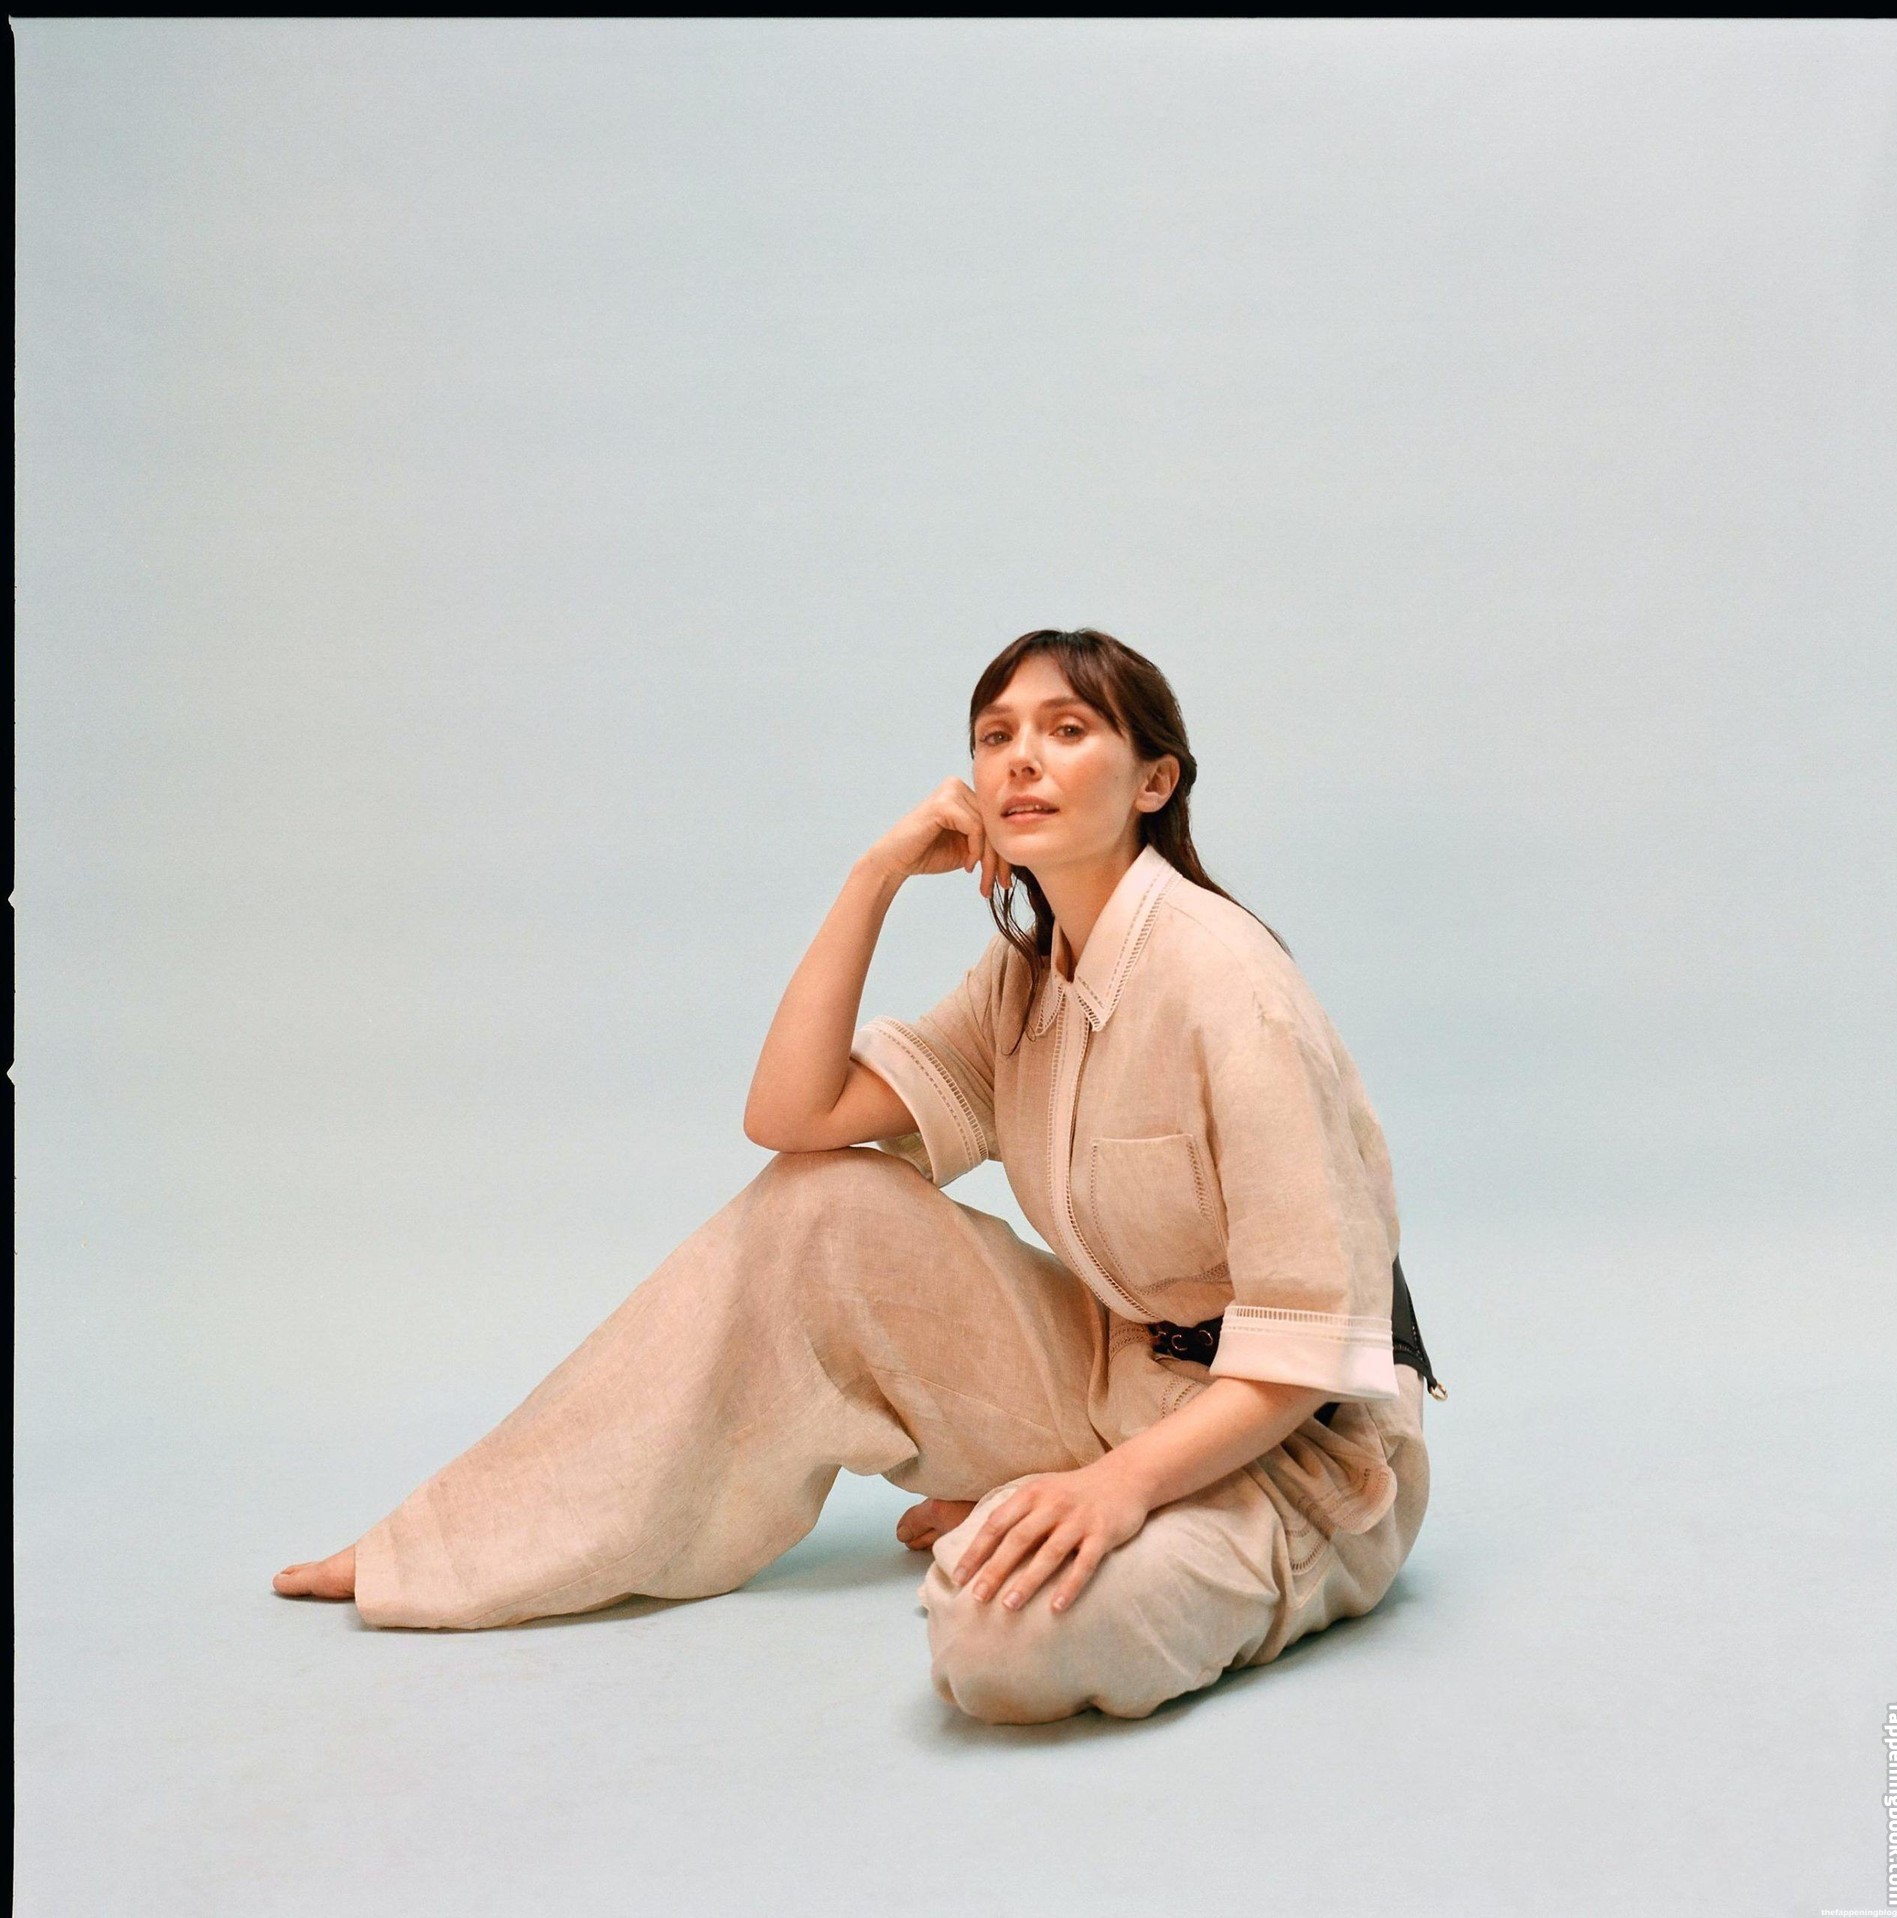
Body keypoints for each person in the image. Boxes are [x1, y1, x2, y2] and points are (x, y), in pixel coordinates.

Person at [273, 627, 1439, 1724]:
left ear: (1155, 780)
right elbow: (794, 1116)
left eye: (1068, 728)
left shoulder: (1229, 983)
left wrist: (1115, 1489)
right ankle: (453, 1543)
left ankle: (1079, 1514)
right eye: (995, 735)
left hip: (1299, 1451)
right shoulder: (1025, 978)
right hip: (1119, 1379)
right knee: (819, 1206)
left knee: (1000, 1634)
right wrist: (874, 874)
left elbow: (1308, 1350)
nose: (1021, 757)